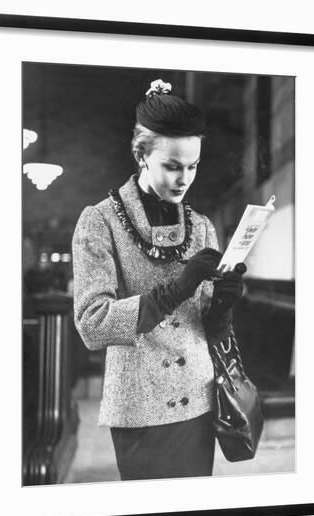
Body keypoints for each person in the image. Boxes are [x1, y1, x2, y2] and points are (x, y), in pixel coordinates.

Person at [72, 79, 244, 481]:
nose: (184, 178)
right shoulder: (99, 222)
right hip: (139, 407)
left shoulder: (201, 226)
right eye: (172, 165)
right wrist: (177, 289)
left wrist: (225, 302)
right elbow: (92, 324)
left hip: (198, 403)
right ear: (141, 156)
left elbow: (210, 329)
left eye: (193, 166)